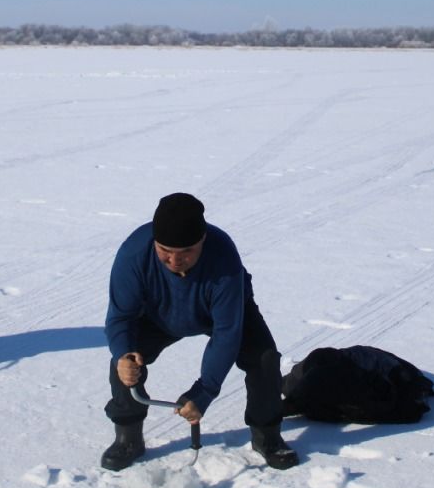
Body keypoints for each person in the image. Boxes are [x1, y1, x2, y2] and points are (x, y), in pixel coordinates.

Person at [102, 193, 298, 471]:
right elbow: (120, 317)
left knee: (264, 359)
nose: (174, 260)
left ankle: (267, 435)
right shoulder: (134, 253)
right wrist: (123, 352)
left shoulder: (223, 257)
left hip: (218, 313)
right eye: (165, 251)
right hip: (158, 315)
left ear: (202, 242)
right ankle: (128, 437)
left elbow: (227, 333)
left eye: (186, 252)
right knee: (124, 364)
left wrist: (203, 391)